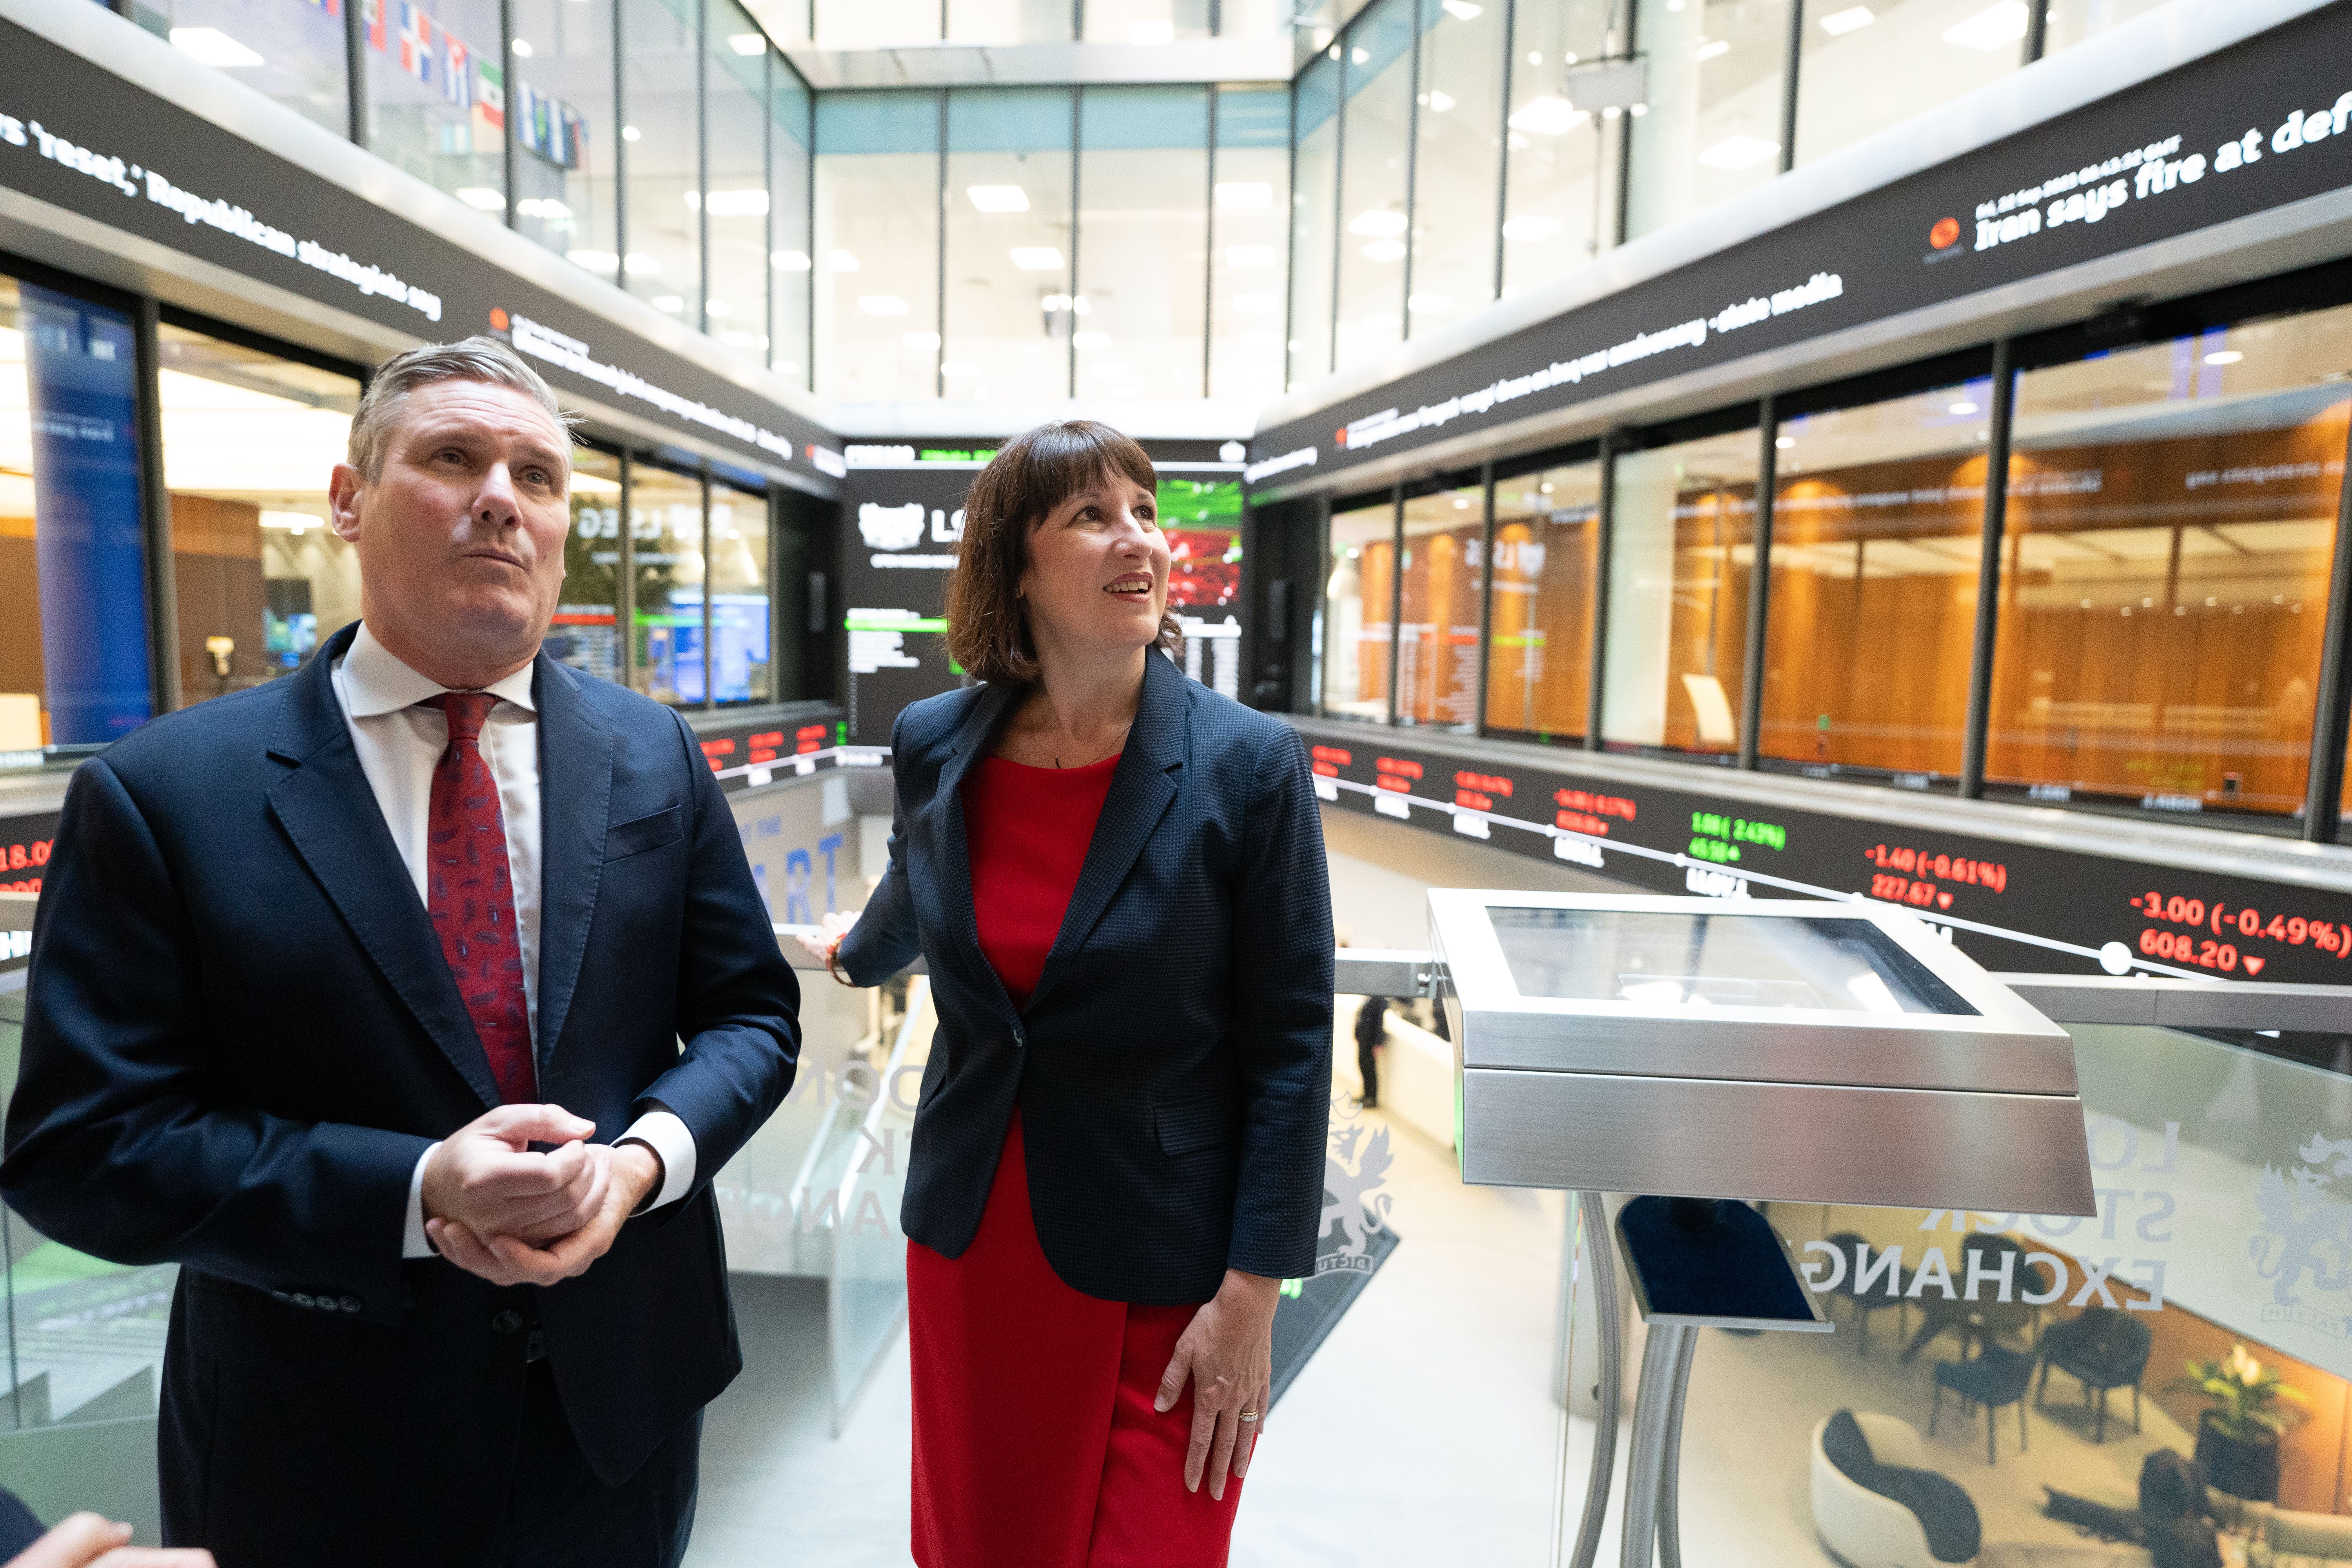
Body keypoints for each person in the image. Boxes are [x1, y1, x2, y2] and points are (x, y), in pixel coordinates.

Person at [1, 338, 801, 1568]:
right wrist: (417, 1189)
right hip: (318, 1443)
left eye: (537, 477)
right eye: (453, 457)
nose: (501, 497)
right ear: (345, 500)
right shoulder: (168, 794)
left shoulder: (654, 755)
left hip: (619, 1415)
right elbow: (82, 1149)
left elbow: (752, 1019)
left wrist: (641, 1163)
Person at [802, 420, 1332, 1567]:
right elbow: (918, 894)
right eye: (1091, 516)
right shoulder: (938, 740)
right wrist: (846, 951)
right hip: (978, 1237)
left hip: (1168, 1263)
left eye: (1145, 511)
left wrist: (1256, 1295)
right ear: (1018, 564)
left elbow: (1292, 1045)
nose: (1137, 539)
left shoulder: (1248, 765)